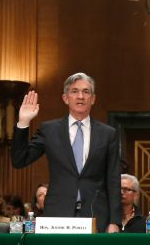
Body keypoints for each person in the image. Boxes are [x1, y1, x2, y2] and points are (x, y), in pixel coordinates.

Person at [11, 72, 120, 233]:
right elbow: (19, 160)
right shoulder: (49, 130)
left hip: (96, 214)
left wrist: (114, 221)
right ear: (65, 98)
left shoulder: (108, 133)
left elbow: (113, 179)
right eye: (74, 91)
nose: (80, 96)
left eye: (86, 91)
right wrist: (23, 122)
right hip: (58, 214)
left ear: (93, 99)